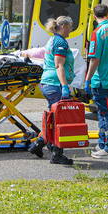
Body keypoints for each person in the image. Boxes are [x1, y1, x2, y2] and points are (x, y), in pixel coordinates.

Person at [28, 16, 75, 165]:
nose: (71, 29)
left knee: (53, 119)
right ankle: (56, 155)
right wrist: (65, 86)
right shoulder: (60, 42)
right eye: (70, 27)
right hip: (55, 85)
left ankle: (38, 144)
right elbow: (59, 65)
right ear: (63, 26)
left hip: (48, 83)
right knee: (59, 120)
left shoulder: (52, 39)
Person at [84, 4, 108, 159]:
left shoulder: (98, 32)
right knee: (105, 113)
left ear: (94, 16)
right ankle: (103, 143)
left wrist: (87, 79)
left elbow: (95, 59)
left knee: (105, 114)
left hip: (101, 80)